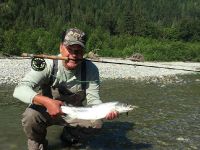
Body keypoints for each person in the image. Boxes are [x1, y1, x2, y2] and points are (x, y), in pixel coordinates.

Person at [13, 28, 118, 150]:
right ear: (61, 48)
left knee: (97, 123)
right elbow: (19, 89)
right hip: (46, 111)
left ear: (83, 51)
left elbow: (94, 100)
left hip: (74, 113)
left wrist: (104, 111)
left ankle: (69, 136)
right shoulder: (48, 64)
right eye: (70, 49)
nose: (74, 54)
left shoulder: (91, 69)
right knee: (30, 116)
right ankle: (38, 142)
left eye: (78, 51)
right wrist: (47, 102)